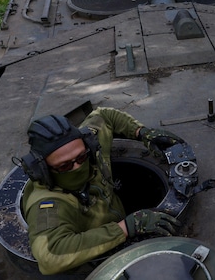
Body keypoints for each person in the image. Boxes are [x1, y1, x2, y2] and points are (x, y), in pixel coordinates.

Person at [19, 107, 184, 275]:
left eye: (81, 157)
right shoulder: (47, 204)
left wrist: (141, 132)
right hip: (100, 263)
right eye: (65, 166)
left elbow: (105, 115)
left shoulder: (92, 152)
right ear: (43, 170)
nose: (78, 167)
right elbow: (50, 256)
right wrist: (125, 228)